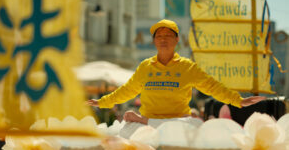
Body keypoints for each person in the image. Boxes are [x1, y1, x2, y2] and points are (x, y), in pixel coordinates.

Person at [87, 19, 265, 124]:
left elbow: (212, 87)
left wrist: (238, 100)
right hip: (147, 124)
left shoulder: (188, 67)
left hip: (178, 124)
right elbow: (127, 90)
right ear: (154, 41)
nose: (163, 39)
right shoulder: (145, 67)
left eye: (168, 36)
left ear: (177, 39)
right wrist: (102, 102)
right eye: (159, 36)